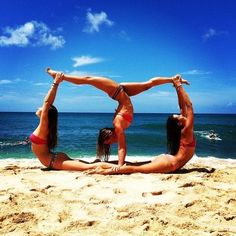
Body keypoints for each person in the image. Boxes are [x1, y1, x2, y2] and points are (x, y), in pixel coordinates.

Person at [47, 68, 187, 167]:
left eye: (108, 143)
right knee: (147, 85)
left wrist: (120, 166)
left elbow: (122, 148)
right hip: (122, 92)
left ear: (108, 136)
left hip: (116, 91)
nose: (111, 144)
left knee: (88, 80)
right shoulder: (117, 124)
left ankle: (60, 77)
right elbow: (120, 141)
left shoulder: (118, 126)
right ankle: (173, 80)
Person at [90, 75, 195, 174]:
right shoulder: (186, 130)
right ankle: (105, 171)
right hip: (169, 163)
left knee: (135, 167)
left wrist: (177, 86)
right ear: (178, 123)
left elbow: (183, 106)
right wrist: (178, 85)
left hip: (168, 160)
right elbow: (188, 106)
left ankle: (103, 166)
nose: (181, 115)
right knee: (135, 169)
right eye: (178, 116)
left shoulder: (184, 127)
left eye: (177, 116)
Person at [30, 71, 115, 171]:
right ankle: (116, 164)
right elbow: (47, 104)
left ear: (46, 114)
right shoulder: (45, 126)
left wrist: (56, 83)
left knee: (90, 167)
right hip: (54, 158)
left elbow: (47, 102)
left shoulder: (44, 126)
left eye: (42, 108)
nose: (40, 107)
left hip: (53, 161)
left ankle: (120, 167)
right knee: (91, 164)